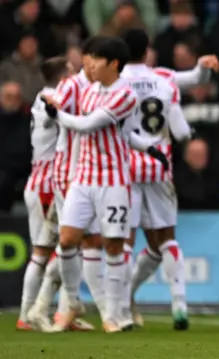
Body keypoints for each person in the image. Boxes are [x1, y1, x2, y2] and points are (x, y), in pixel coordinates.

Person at [41, 37, 141, 333]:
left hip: (112, 181)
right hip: (83, 179)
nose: (90, 64)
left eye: (96, 59)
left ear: (113, 63)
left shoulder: (125, 95)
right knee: (68, 240)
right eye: (88, 57)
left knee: (112, 246)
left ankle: (112, 313)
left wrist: (57, 115)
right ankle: (72, 301)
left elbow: (88, 125)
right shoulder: (89, 92)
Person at [27, 37, 104, 332]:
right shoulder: (70, 86)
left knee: (77, 244)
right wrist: (52, 109)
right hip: (67, 174)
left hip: (84, 173)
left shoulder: (95, 88)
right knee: (73, 241)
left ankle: (59, 308)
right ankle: (46, 306)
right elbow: (53, 106)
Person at [119, 28, 192, 331]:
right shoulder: (164, 83)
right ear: (147, 51)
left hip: (125, 168)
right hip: (160, 167)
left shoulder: (116, 84)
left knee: (124, 241)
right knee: (166, 239)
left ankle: (121, 305)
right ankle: (179, 304)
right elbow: (182, 131)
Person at [17, 56, 70, 331]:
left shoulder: (44, 96)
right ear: (63, 77)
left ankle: (62, 310)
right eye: (71, 72)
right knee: (43, 252)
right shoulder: (50, 97)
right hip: (46, 185)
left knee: (66, 249)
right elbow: (55, 111)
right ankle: (27, 314)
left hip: (48, 182)